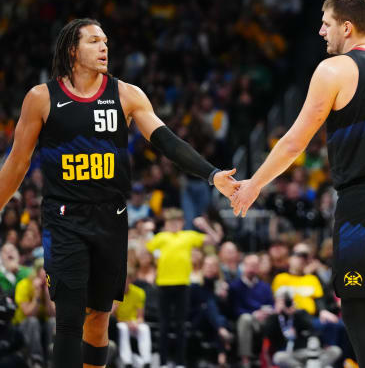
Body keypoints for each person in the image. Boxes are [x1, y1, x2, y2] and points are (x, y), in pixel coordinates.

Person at [0, 18, 239, 368]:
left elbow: (166, 141)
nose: (103, 47)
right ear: (72, 50)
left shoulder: (126, 94)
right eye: (94, 41)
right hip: (64, 218)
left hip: (111, 218)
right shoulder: (41, 98)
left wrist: (212, 173)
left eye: (106, 42)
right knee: (68, 318)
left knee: (99, 318)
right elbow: (17, 163)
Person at [231, 0, 365, 368]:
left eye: (326, 22)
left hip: (364, 198)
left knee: (355, 308)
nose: (320, 30)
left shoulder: (334, 69)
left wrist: (254, 183)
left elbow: (294, 142)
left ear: (347, 26)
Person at [146, 207, 223, 367]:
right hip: (163, 285)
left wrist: (205, 226)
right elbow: (146, 249)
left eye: (176, 221)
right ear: (166, 224)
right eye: (170, 222)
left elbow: (215, 240)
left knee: (181, 325)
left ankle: (180, 362)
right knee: (164, 325)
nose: (173, 225)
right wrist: (146, 231)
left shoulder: (188, 236)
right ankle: (163, 362)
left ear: (182, 222)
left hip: (182, 285)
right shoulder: (161, 237)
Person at [114, 268, 152, 368]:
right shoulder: (114, 293)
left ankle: (146, 360)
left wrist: (135, 323)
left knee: (144, 328)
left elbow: (141, 317)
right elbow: (112, 318)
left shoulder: (139, 293)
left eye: (126, 279)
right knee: (123, 328)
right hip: (120, 323)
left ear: (131, 280)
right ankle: (127, 361)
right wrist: (127, 323)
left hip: (134, 324)